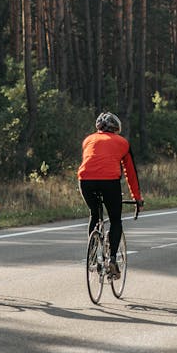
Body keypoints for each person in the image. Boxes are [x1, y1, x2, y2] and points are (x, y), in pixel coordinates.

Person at [77, 112, 143, 280]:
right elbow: (130, 172)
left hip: (85, 180)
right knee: (115, 219)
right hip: (109, 182)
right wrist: (137, 197)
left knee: (94, 213)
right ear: (116, 128)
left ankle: (93, 254)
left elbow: (91, 162)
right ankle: (112, 258)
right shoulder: (122, 143)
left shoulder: (88, 140)